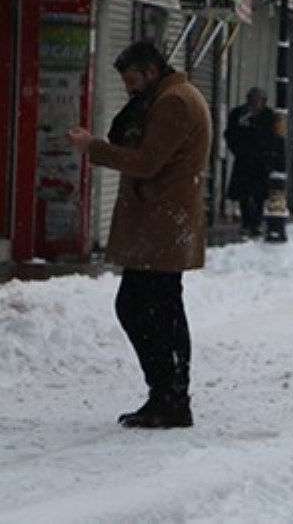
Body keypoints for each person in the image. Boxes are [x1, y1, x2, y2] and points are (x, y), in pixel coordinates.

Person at [65, 40, 211, 429]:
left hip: (162, 224)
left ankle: (169, 394)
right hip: (161, 222)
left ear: (150, 72)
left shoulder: (174, 102)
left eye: (132, 80)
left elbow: (146, 161)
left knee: (144, 306)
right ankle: (167, 394)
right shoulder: (171, 95)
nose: (129, 89)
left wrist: (91, 148)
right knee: (157, 307)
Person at [225, 87, 276, 239]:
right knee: (244, 193)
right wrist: (238, 150)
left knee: (259, 193)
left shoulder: (268, 116)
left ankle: (257, 221)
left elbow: (273, 137)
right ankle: (246, 221)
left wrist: (268, 154)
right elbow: (230, 134)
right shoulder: (239, 114)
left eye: (258, 100)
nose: (255, 103)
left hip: (261, 161)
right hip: (244, 160)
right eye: (252, 99)